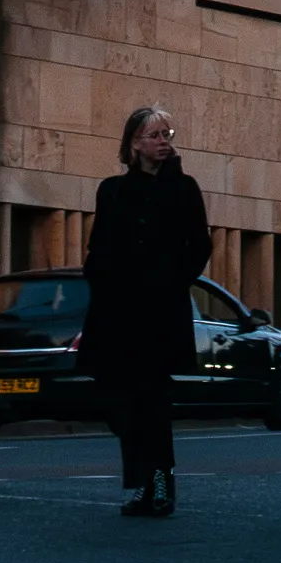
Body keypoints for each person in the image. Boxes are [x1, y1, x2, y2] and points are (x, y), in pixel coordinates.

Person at [78, 104, 211, 519]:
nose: (163, 142)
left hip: (160, 313)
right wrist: (101, 280)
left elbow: (199, 245)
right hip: (116, 313)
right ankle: (141, 479)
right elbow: (98, 247)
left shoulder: (183, 188)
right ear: (135, 143)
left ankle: (159, 484)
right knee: (119, 399)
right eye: (154, 135)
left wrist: (172, 281)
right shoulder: (112, 190)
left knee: (153, 401)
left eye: (167, 134)